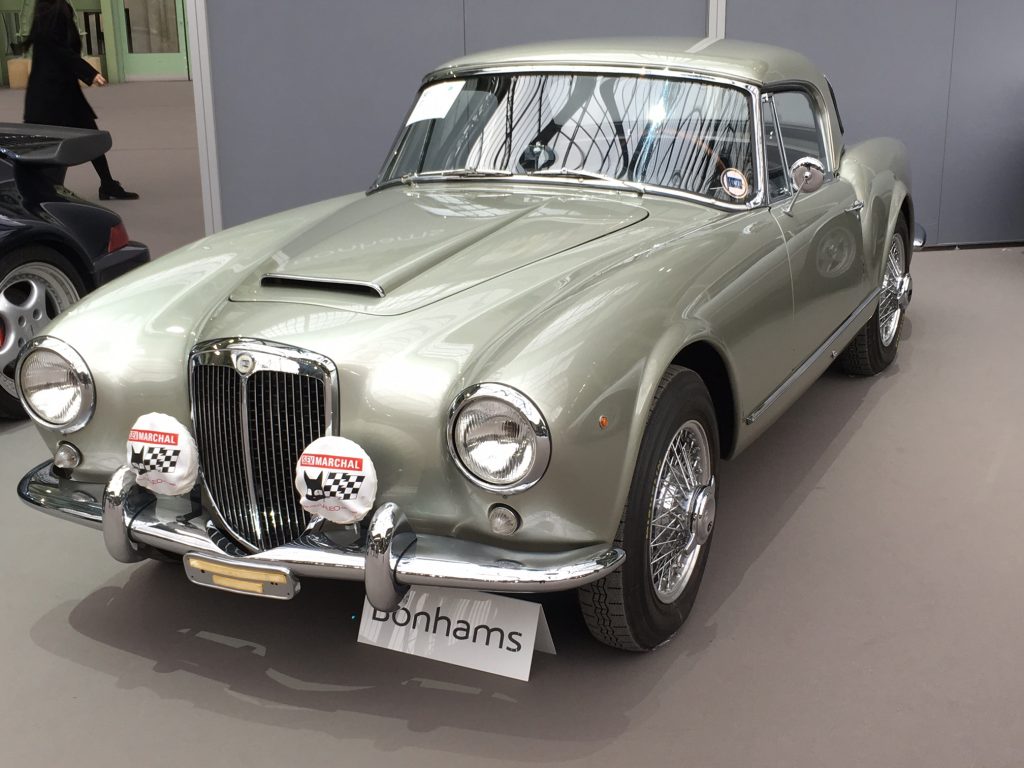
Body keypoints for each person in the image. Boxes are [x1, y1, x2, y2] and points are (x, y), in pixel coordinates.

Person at [22, 0, 138, 200]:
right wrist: (89, 73)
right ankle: (45, 190)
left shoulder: (47, 8)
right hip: (53, 94)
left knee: (86, 133)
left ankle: (106, 184)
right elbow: (59, 50)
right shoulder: (54, 10)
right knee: (52, 142)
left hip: (56, 90)